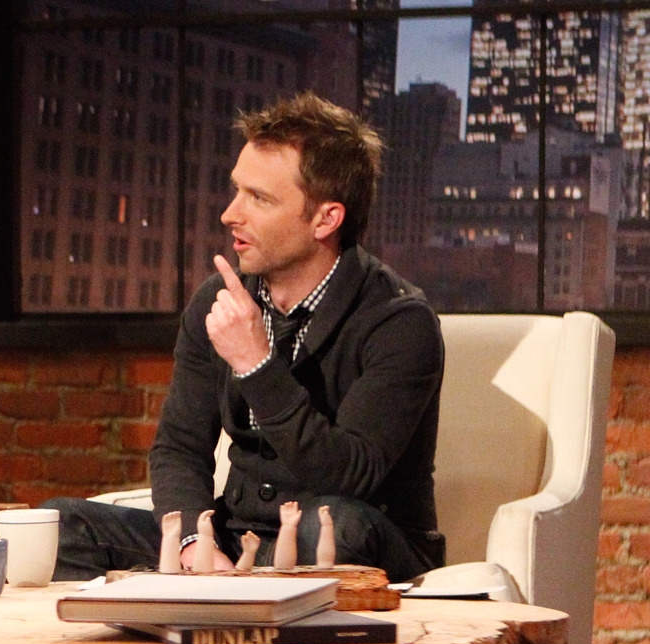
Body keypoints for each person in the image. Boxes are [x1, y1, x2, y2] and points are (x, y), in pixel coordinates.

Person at [47, 93, 445, 583]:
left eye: (259, 198)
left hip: (351, 540)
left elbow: (350, 476)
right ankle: (221, 595)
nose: (230, 214)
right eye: (237, 191)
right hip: (238, 539)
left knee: (337, 528)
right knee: (60, 526)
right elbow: (178, 448)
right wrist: (195, 542)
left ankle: (226, 599)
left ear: (326, 218)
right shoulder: (220, 301)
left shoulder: (399, 320)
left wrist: (257, 365)